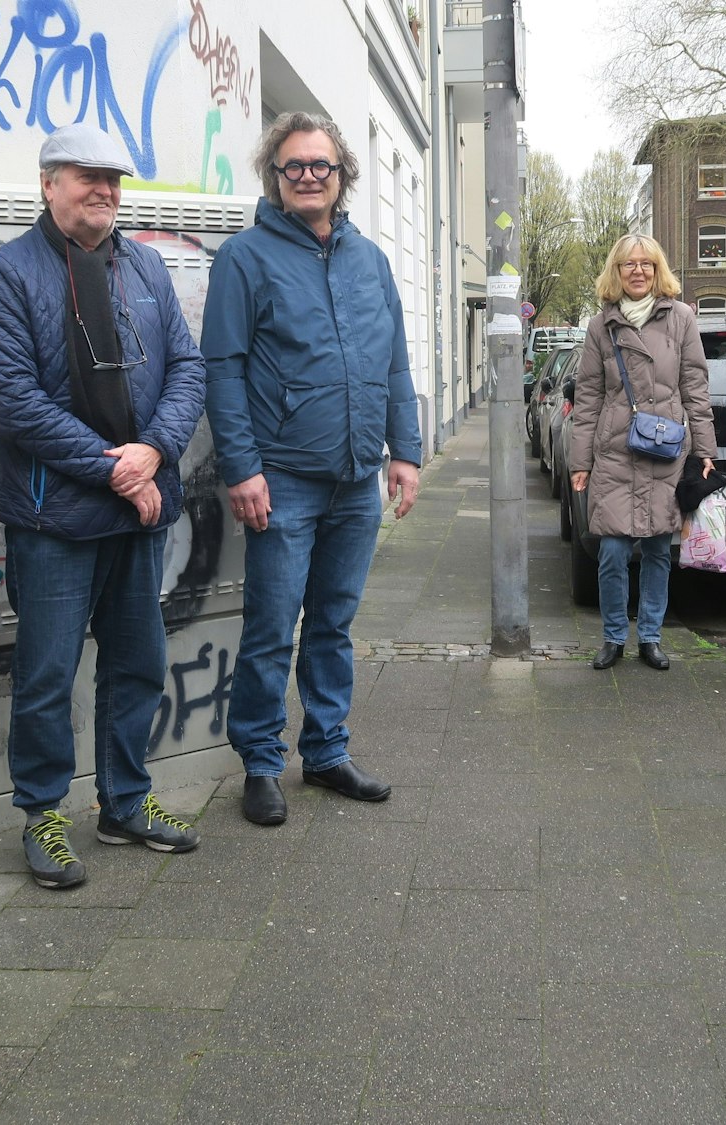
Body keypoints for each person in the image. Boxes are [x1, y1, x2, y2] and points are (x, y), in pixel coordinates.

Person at [0, 123, 207, 888]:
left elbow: (186, 368)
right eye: (87, 177)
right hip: (55, 520)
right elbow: (15, 404)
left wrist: (155, 452)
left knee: (139, 662)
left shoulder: (144, 265)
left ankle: (124, 802)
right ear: (48, 183)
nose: (104, 190)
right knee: (46, 674)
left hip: (136, 510)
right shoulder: (8, 274)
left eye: (114, 179)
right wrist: (119, 471)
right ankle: (42, 811)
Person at [202, 111, 423, 827]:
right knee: (271, 627)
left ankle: (326, 751)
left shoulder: (370, 260)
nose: (306, 176)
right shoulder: (245, 258)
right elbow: (224, 371)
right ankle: (261, 764)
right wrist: (241, 469)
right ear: (275, 175)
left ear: (340, 175)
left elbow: (393, 361)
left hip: (357, 480)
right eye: (293, 166)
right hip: (283, 481)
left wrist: (407, 451)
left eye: (319, 165)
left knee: (333, 622)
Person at [567, 235, 717, 672]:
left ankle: (650, 636)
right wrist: (581, 462)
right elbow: (589, 398)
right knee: (611, 551)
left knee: (656, 550)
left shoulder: (682, 318)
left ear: (658, 271)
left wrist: (705, 450)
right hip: (615, 453)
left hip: (665, 453)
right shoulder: (601, 327)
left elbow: (696, 387)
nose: (638, 271)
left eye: (647, 264)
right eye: (629, 264)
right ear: (617, 271)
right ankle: (614, 635)